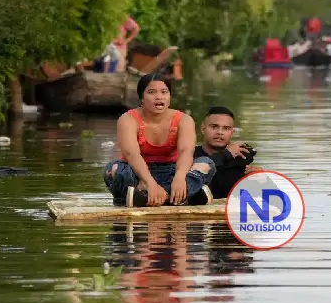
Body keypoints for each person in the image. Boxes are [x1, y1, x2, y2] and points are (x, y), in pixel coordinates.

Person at [102, 73, 215, 207]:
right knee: (114, 169)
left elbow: (186, 151)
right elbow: (131, 155)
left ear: (169, 96)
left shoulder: (184, 120)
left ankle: (153, 197)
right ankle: (184, 197)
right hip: (138, 175)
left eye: (164, 92)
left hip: (172, 172)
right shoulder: (128, 119)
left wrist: (179, 178)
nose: (159, 97)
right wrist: (149, 183)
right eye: (151, 92)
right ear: (142, 97)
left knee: (207, 164)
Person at [194, 106, 262, 199]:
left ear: (232, 133)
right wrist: (226, 154)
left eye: (226, 128)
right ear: (203, 129)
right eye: (214, 127)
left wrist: (263, 180)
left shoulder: (240, 160)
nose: (220, 132)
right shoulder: (189, 155)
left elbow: (280, 203)